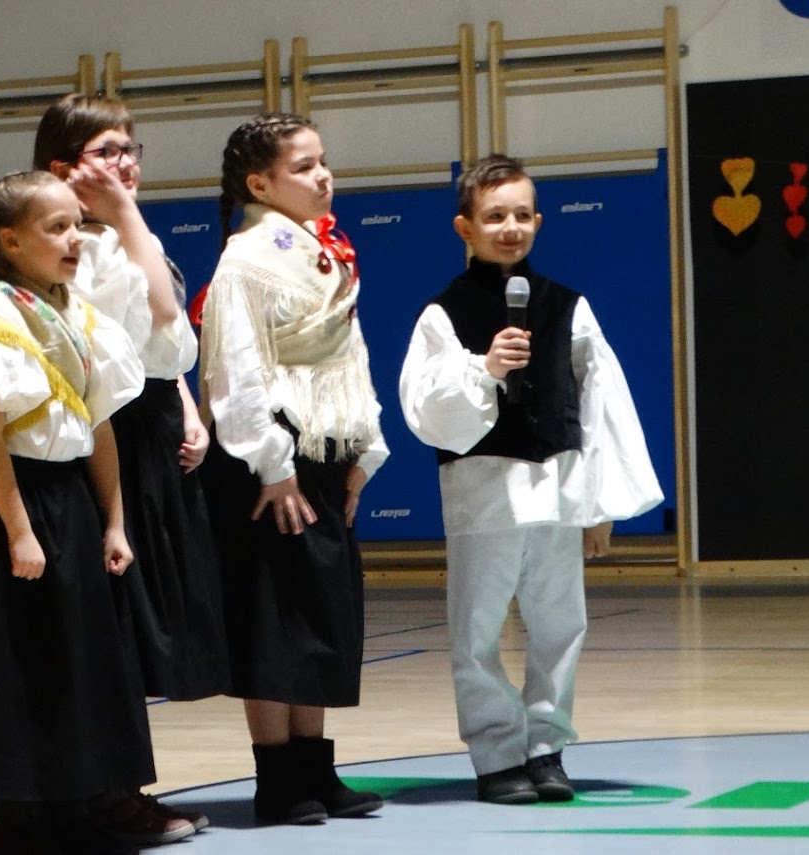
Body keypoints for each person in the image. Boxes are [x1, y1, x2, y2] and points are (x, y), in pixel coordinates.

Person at [397, 153, 663, 805]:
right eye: (494, 216)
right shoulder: (444, 312)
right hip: (483, 491)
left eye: (521, 215)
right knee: (476, 630)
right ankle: (496, 753)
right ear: (465, 227)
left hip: (558, 487)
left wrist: (599, 503)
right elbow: (424, 407)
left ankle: (545, 745)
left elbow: (599, 404)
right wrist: (483, 369)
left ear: (539, 221)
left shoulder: (567, 306)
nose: (509, 227)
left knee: (559, 624)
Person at [0, 170, 150, 855]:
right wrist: (20, 533)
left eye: (77, 224)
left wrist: (114, 520)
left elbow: (98, 424)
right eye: (56, 228)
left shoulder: (74, 313)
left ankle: (75, 810)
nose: (74, 239)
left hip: (69, 502)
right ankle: (24, 824)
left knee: (75, 660)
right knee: (20, 664)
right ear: (10, 241)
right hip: (11, 506)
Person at [33, 95, 229, 847]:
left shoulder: (124, 234)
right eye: (106, 151)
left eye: (130, 149)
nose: (125, 164)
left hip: (146, 433)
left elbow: (169, 347)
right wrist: (123, 214)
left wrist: (183, 403)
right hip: (97, 440)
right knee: (110, 632)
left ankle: (123, 787)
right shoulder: (73, 248)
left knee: (140, 631)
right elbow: (130, 341)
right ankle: (106, 796)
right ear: (63, 167)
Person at [196, 112, 388, 827]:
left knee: (319, 613)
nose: (322, 175)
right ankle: (276, 779)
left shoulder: (323, 248)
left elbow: (351, 355)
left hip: (326, 448)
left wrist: (364, 447)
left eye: (322, 160)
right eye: (303, 166)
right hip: (270, 457)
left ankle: (315, 769)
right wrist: (271, 465)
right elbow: (233, 369)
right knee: (275, 619)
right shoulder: (245, 258)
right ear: (259, 184)